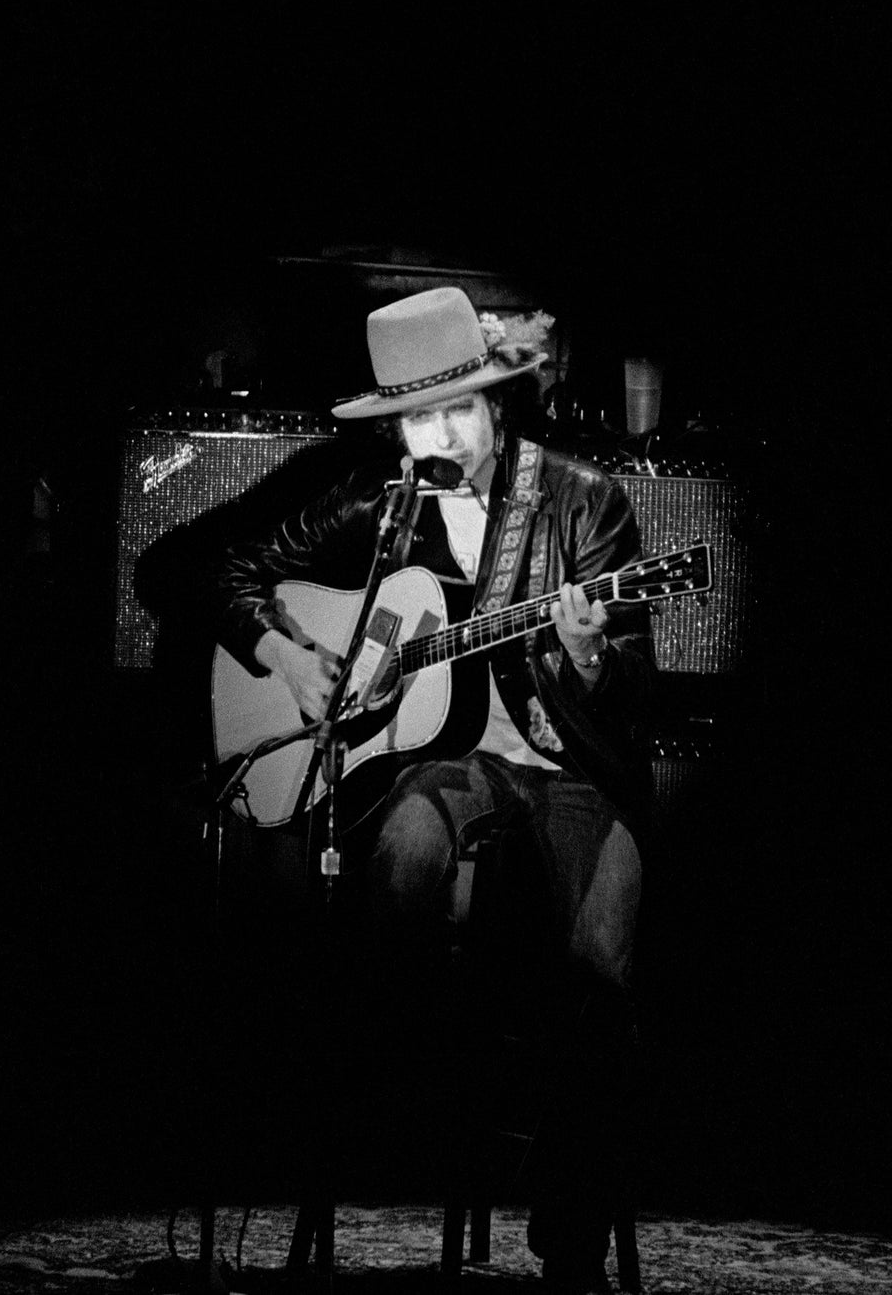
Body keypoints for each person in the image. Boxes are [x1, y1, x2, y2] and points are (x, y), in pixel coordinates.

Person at [212, 286, 653, 1293]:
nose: (439, 432)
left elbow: (635, 680)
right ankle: (411, 1115)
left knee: (602, 967)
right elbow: (235, 572)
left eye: (457, 408)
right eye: (417, 415)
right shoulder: (381, 506)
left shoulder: (583, 497)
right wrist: (283, 653)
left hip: (571, 766)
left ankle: (569, 1224)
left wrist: (586, 655)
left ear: (495, 404)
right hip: (454, 767)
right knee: (400, 864)